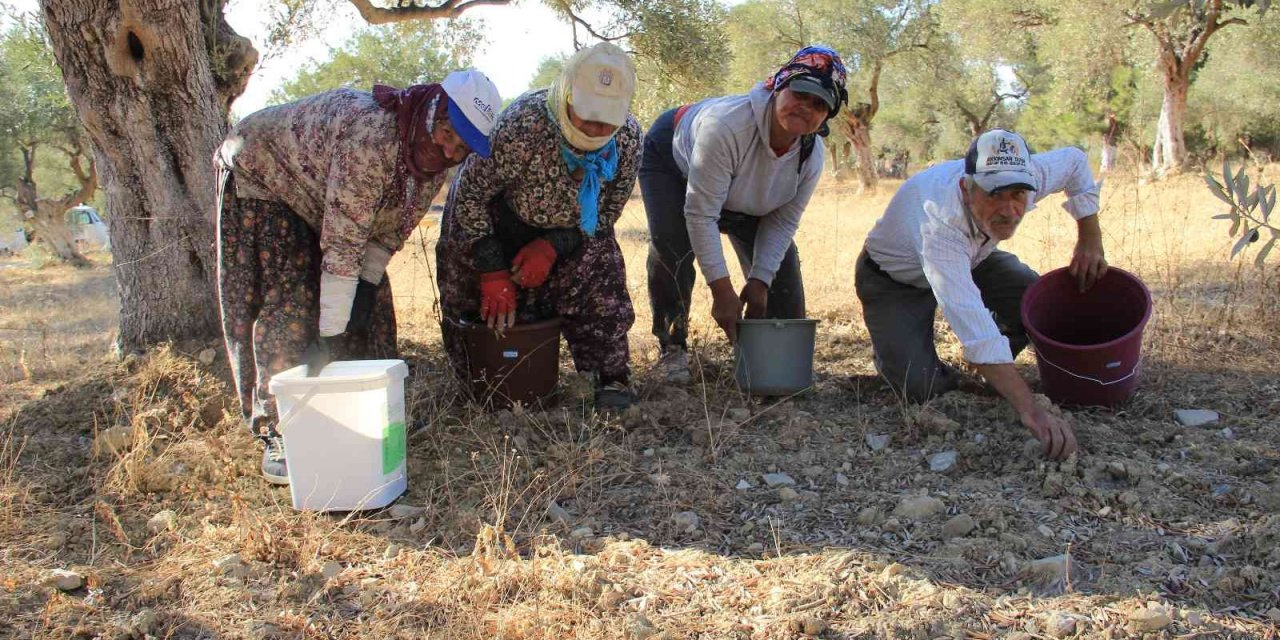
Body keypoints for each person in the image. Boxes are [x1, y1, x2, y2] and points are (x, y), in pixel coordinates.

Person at [214, 70, 502, 484]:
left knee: (374, 306)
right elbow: (344, 242)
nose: (448, 149)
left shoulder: (435, 162)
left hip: (319, 197)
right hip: (263, 173)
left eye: (462, 148)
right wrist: (331, 333)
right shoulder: (373, 136)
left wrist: (364, 293)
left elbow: (384, 236)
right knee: (292, 296)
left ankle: (365, 416)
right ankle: (280, 429)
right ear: (434, 110)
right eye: (446, 132)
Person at [857, 129, 1107, 460]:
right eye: (994, 195)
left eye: (1018, 194)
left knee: (1033, 299)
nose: (1008, 210)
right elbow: (974, 330)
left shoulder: (1033, 174)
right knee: (917, 387)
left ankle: (994, 368)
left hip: (974, 259)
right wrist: (1031, 410)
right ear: (966, 187)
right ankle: (898, 355)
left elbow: (1075, 161)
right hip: (894, 281)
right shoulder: (939, 223)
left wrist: (1090, 238)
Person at [436, 43, 641, 411]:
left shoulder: (627, 140)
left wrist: (553, 245)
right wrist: (492, 269)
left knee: (601, 267)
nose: (595, 127)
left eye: (606, 119)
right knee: (464, 272)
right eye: (587, 114)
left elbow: (607, 213)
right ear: (566, 96)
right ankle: (477, 377)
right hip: (495, 218)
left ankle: (609, 376)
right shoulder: (521, 125)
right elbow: (469, 197)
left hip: (572, 230)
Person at [638, 45, 847, 383]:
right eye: (800, 93)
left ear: (826, 117)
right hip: (672, 160)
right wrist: (722, 292)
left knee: (780, 275)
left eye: (819, 104)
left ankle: (767, 357)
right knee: (671, 248)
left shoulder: (811, 157)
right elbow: (702, 214)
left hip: (743, 193)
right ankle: (672, 347)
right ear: (776, 87)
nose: (805, 108)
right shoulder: (726, 127)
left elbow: (783, 221)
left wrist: (760, 281)